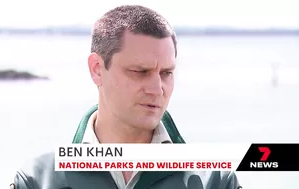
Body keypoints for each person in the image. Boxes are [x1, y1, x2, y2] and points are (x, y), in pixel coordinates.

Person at [12, 5, 241, 189]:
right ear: (97, 69)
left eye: (166, 73)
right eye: (140, 72)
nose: (157, 88)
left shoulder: (215, 180)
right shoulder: (38, 180)